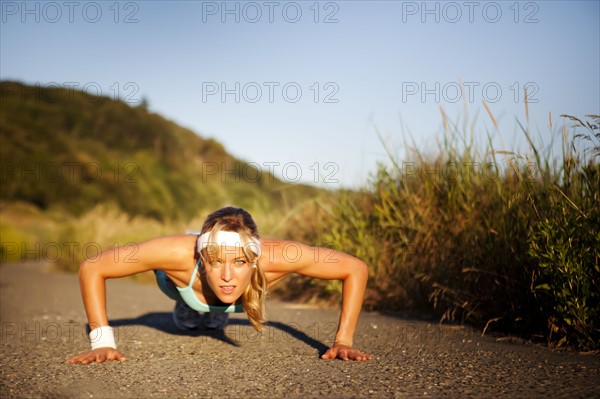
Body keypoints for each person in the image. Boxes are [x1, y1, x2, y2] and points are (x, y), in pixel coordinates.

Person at [67, 206, 372, 364]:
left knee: (217, 308)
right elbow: (93, 267)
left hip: (230, 288)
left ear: (254, 259)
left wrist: (342, 340)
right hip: (179, 283)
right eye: (216, 262)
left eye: (239, 262)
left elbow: (355, 269)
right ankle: (191, 303)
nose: (227, 275)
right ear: (202, 257)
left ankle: (216, 311)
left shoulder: (277, 257)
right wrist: (102, 341)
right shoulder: (178, 253)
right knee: (190, 312)